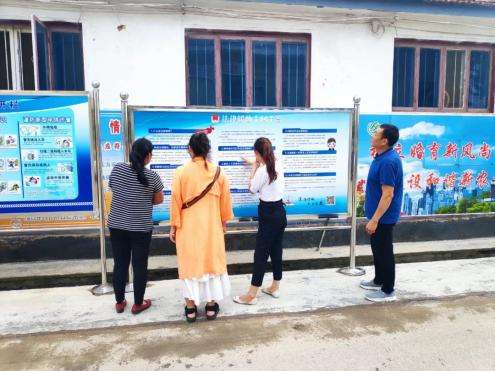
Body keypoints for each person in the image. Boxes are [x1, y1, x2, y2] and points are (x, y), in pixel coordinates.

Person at [170, 132, 233, 323]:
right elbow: (226, 203)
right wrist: (223, 224)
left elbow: (175, 201)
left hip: (188, 230)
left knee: (190, 266)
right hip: (212, 230)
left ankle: (190, 308)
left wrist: (174, 226)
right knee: (211, 265)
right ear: (208, 150)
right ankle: (211, 306)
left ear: (190, 150)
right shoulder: (219, 172)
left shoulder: (180, 172)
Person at [108, 138, 164, 314]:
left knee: (120, 264)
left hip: (116, 225)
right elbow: (159, 199)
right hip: (140, 228)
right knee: (140, 266)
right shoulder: (152, 176)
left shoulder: (117, 169)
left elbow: (114, 189)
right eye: (151, 153)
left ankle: (119, 302)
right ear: (147, 155)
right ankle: (138, 304)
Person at [233, 137, 286, 305]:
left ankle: (251, 295)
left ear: (257, 153)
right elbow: (266, 162)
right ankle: (275, 286)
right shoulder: (277, 163)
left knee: (260, 254)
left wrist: (254, 167)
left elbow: (252, 189)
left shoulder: (262, 171)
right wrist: (255, 161)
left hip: (268, 213)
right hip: (280, 212)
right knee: (276, 250)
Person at [360, 124, 403, 302]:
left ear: (384, 141)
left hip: (384, 217)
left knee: (384, 252)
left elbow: (388, 194)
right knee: (377, 249)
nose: (373, 136)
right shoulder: (381, 156)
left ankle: (387, 290)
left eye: (376, 134)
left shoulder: (388, 161)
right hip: (377, 215)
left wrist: (375, 220)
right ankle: (379, 280)